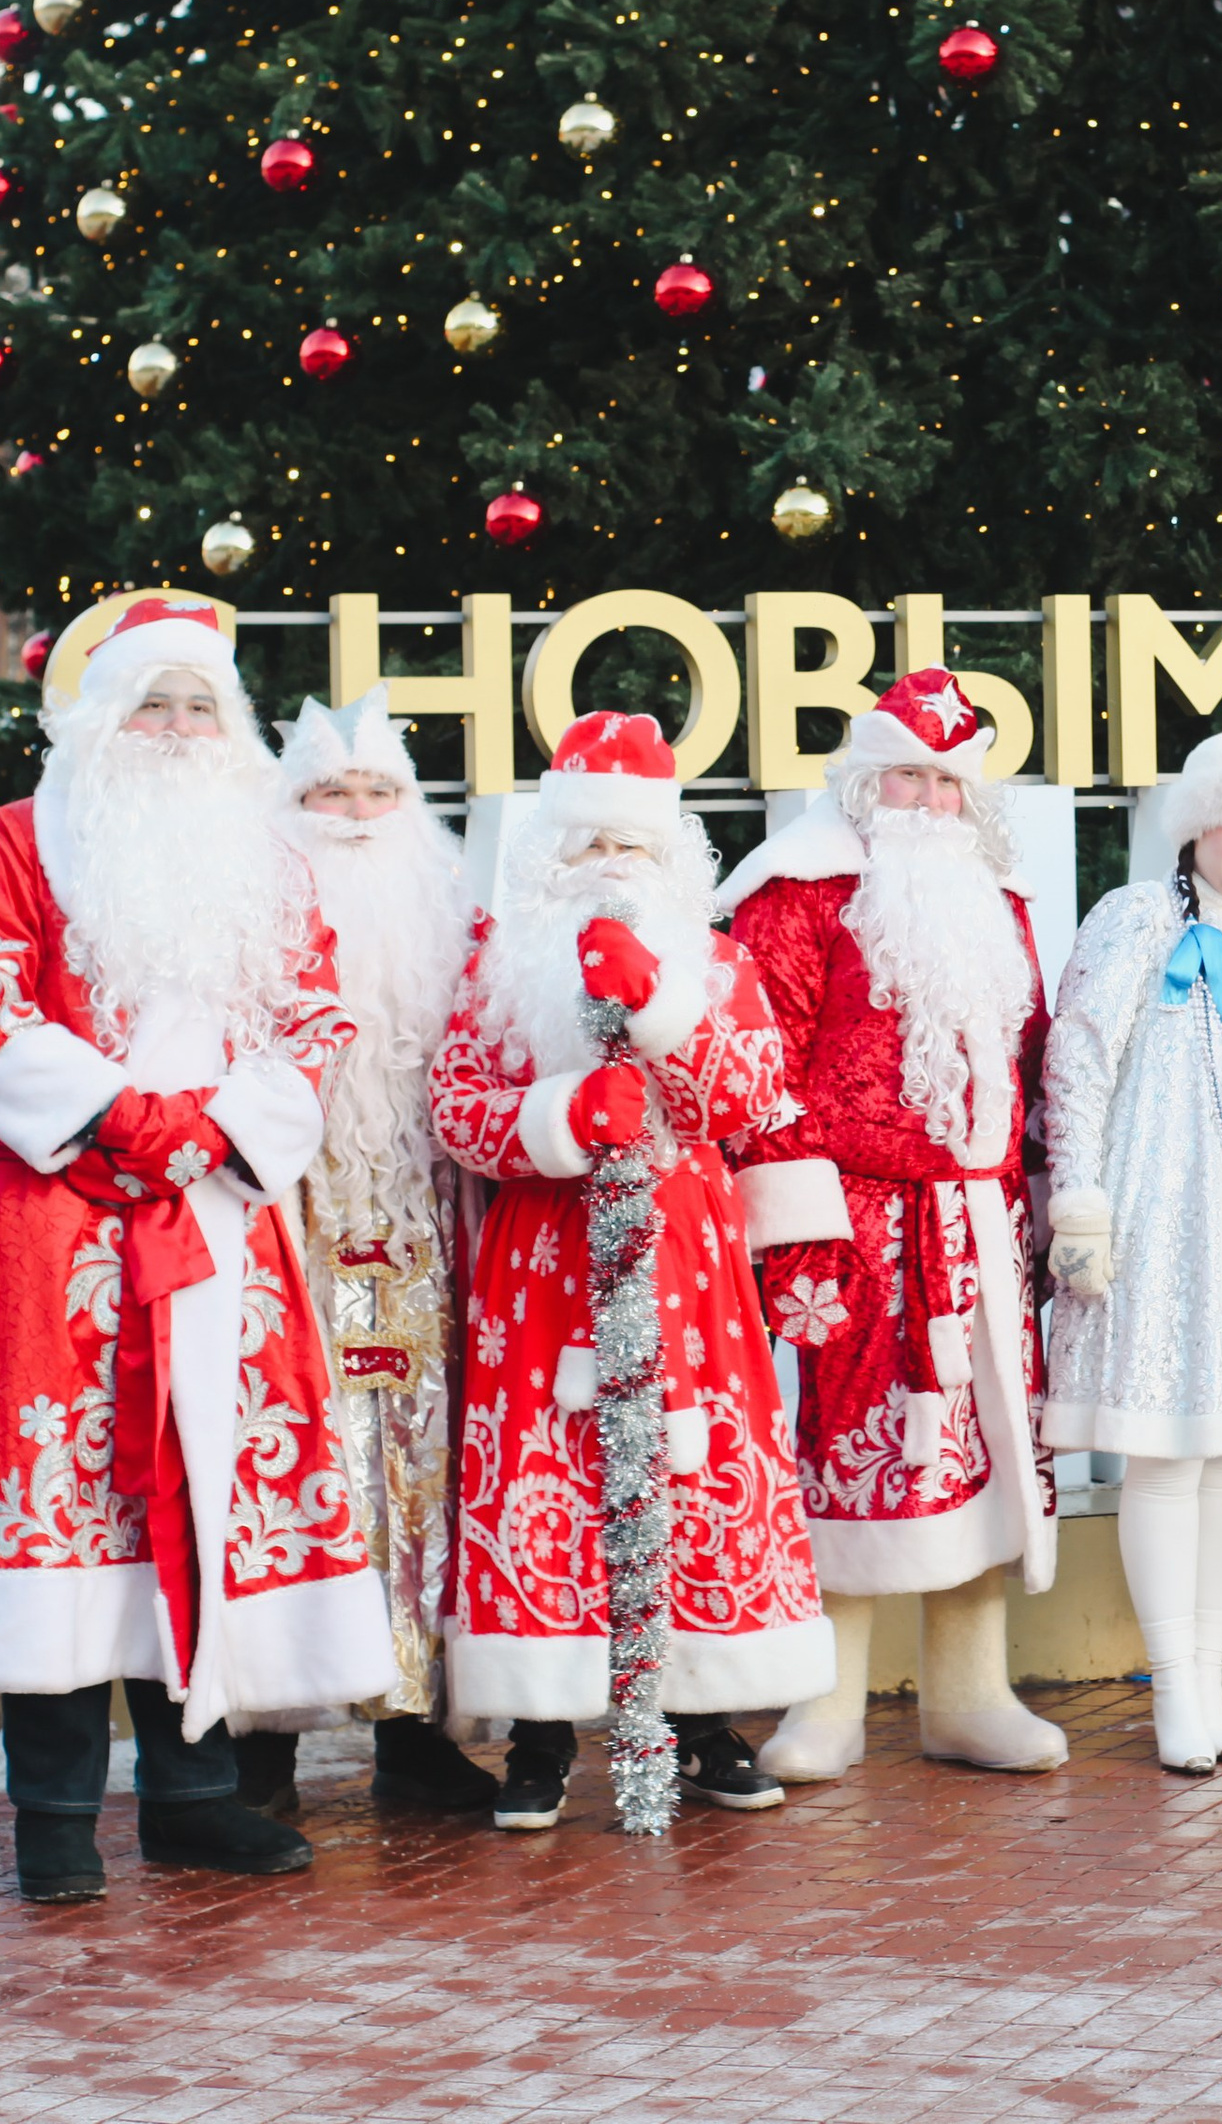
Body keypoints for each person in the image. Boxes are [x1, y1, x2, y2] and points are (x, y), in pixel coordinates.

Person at [0, 597, 389, 1902]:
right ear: (100, 717)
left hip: (223, 1220)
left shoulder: (269, 868)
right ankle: (54, 1819)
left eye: (199, 706)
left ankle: (194, 1797)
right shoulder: (17, 843)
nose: (173, 729)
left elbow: (316, 1018)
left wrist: (212, 1134)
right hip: (57, 1234)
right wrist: (124, 1120)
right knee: (67, 1523)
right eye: (150, 703)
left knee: (213, 1489)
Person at [429, 711, 830, 1827]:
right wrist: (554, 1114)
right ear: (550, 856)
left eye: (633, 846)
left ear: (673, 857)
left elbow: (746, 1098)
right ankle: (542, 1731)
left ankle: (700, 1717)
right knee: (548, 1477)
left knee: (684, 1470)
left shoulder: (722, 962)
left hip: (680, 1255)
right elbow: (458, 1108)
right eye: (588, 845)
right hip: (544, 1259)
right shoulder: (497, 969)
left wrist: (657, 1010)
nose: (610, 868)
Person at [721, 668, 1065, 1779]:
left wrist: (1048, 1197)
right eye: (906, 777)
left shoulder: (997, 899)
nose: (925, 801)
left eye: (945, 781)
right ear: (866, 782)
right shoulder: (800, 893)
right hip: (856, 1221)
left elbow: (1031, 1054)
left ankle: (969, 1694)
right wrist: (796, 1230)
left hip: (981, 1218)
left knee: (982, 1451)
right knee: (846, 1450)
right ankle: (821, 1705)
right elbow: (756, 1064)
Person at [1041, 731, 1222, 1773]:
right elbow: (1078, 1050)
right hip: (1159, 1210)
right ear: (1194, 821)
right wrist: (1077, 1196)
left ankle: (1210, 1686)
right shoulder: (1134, 918)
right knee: (1165, 1454)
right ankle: (1172, 1686)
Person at [227, 690, 496, 1821]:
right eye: (327, 791)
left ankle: (412, 1727)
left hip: (417, 1242)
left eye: (378, 790)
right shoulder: (248, 921)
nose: (353, 811)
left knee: (416, 1460)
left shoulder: (450, 921)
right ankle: (261, 1737)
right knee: (289, 1460)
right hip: (284, 1232)